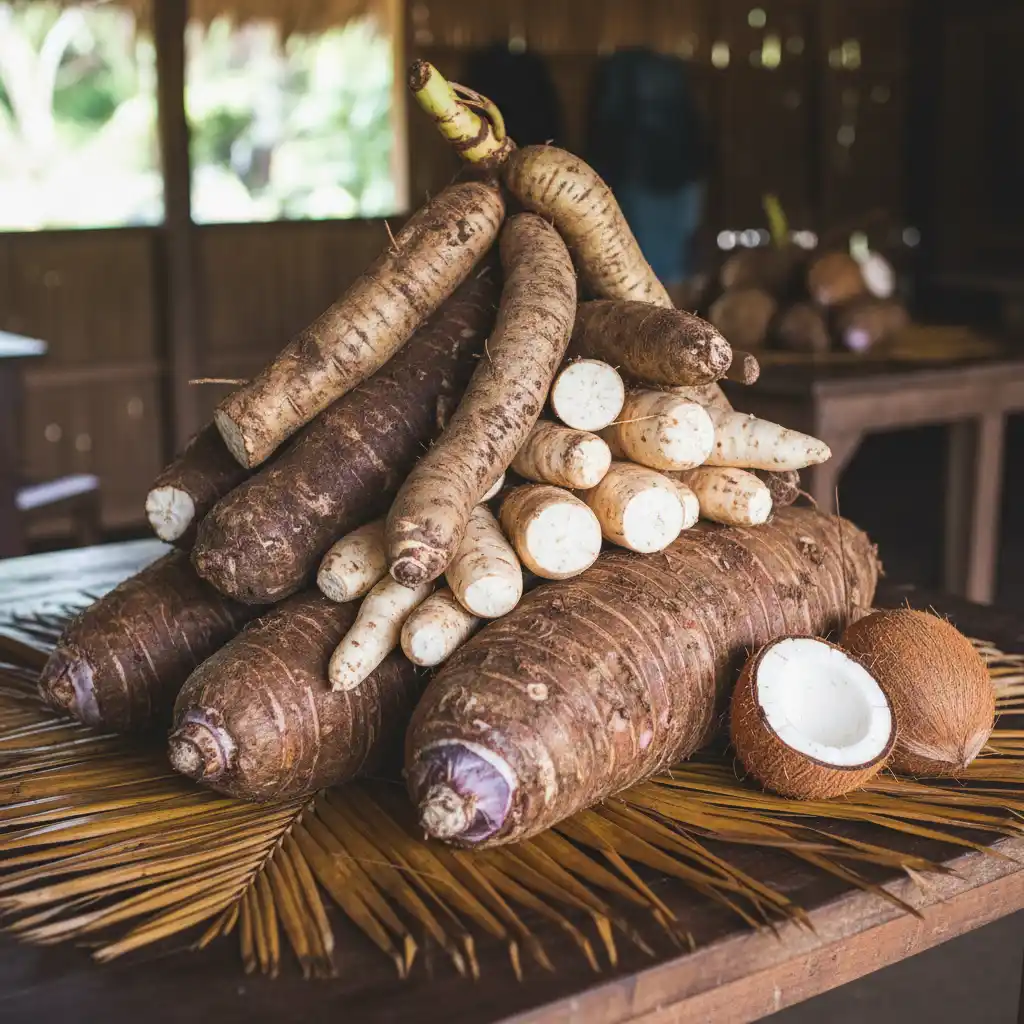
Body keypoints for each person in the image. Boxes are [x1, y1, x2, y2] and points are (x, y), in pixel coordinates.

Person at [586, 48, 709, 303]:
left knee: (640, 266)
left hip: (643, 183)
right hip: (672, 183)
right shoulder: (670, 92)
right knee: (665, 267)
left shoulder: (619, 84)